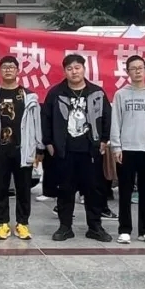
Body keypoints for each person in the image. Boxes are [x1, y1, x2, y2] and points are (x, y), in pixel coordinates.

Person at [43, 54, 112, 242]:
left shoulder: (96, 92)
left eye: (77, 67)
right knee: (65, 190)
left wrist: (104, 140)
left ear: (84, 69)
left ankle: (95, 227)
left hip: (91, 150)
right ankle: (65, 227)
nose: (74, 72)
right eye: (69, 69)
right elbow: (46, 118)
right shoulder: (56, 93)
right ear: (64, 71)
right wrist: (48, 143)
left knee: (93, 191)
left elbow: (107, 117)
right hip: (64, 151)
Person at [0, 55, 42, 241]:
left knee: (23, 188)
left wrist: (39, 148)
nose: (8, 70)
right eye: (4, 67)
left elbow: (37, 123)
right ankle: (2, 224)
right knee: (0, 187)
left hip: (23, 148)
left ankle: (22, 223)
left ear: (17, 70)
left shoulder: (29, 96)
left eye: (11, 67)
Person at [109, 55, 145, 245]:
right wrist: (116, 146)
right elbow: (115, 121)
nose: (138, 71)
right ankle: (124, 229)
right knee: (125, 191)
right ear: (127, 72)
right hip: (126, 149)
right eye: (133, 68)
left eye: (140, 67)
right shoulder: (121, 95)